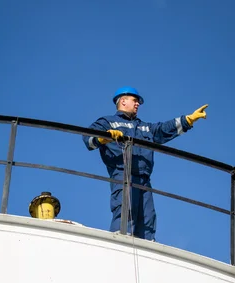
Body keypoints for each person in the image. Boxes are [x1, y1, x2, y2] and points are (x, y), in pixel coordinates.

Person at [82, 87, 208, 241]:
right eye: (135, 101)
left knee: (148, 219)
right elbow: (88, 138)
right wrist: (103, 138)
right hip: (122, 174)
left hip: (144, 179)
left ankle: (147, 250)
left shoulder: (145, 127)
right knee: (125, 213)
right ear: (123, 101)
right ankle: (119, 246)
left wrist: (188, 120)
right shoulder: (108, 122)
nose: (138, 105)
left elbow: (163, 129)